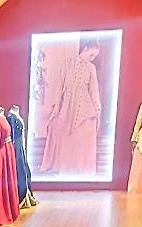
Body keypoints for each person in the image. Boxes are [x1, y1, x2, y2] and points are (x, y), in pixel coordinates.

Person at [40, 40, 102, 177]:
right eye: (91, 55)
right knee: (63, 134)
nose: (92, 59)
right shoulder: (66, 65)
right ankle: (65, 169)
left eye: (94, 57)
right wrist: (56, 107)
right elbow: (59, 88)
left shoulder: (91, 68)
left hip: (85, 109)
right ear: (85, 48)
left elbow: (94, 90)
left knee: (82, 137)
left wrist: (97, 108)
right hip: (67, 107)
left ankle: (81, 171)